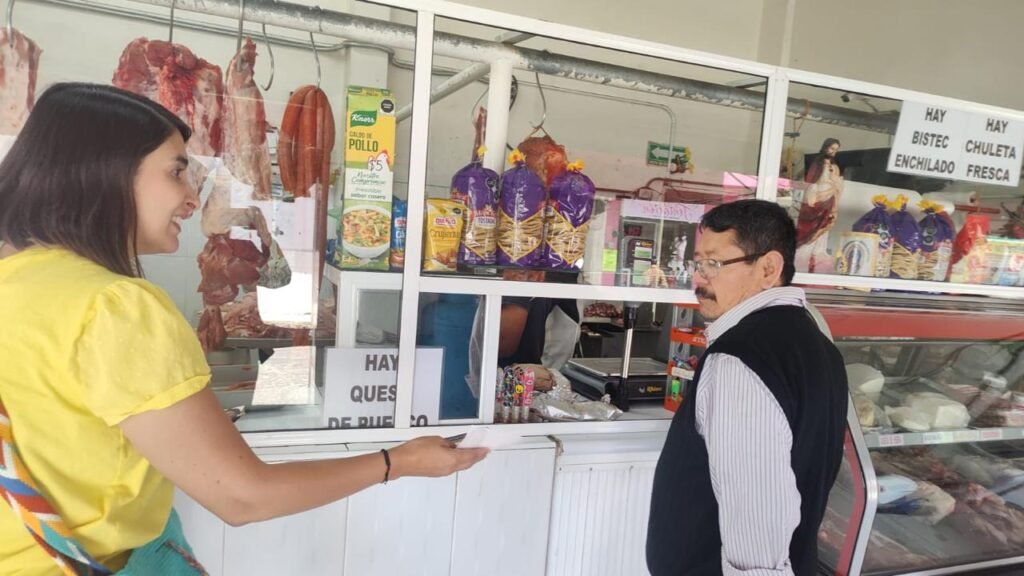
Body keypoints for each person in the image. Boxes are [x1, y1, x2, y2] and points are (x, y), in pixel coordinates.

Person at [0, 83, 487, 574]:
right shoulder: (113, 307)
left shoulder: (16, 281)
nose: (192, 198)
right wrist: (397, 462)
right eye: (175, 172)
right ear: (104, 171)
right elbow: (243, 497)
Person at [646, 200, 848, 576]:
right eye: (697, 263)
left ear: (769, 268)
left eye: (714, 264)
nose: (698, 278)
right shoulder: (819, 346)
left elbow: (757, 517)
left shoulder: (738, 362)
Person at [796, 138, 843, 273]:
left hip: (829, 197)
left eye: (836, 150)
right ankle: (807, 251)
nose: (833, 152)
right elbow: (813, 181)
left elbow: (836, 181)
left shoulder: (834, 164)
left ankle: (819, 250)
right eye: (832, 149)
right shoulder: (818, 162)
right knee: (814, 225)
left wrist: (836, 186)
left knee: (826, 224)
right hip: (818, 197)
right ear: (826, 147)